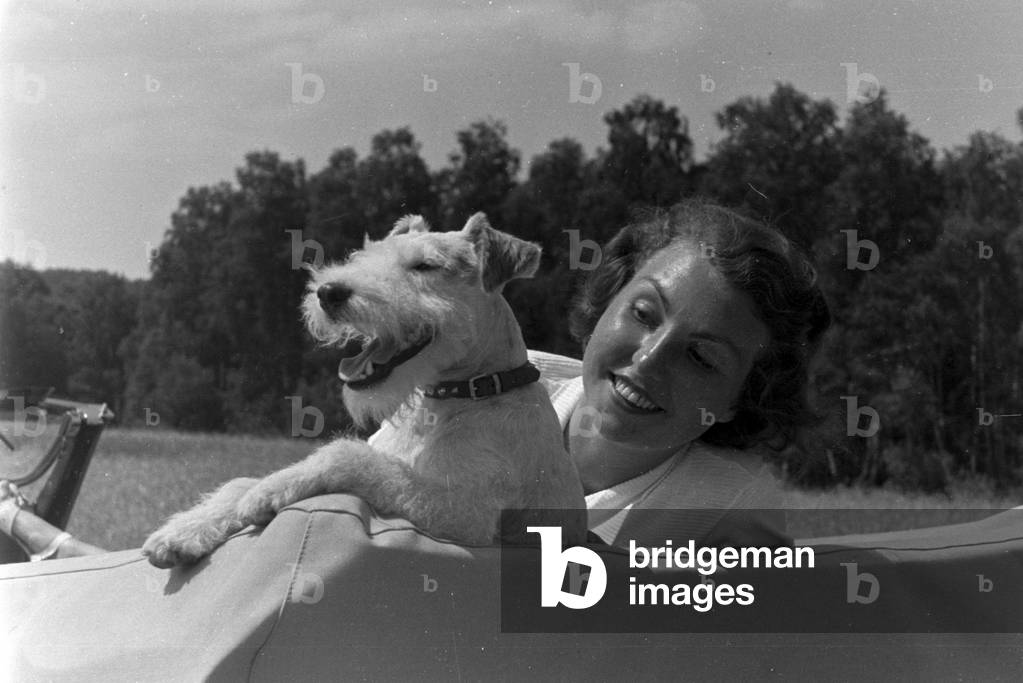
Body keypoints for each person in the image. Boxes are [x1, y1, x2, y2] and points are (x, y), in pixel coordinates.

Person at [0, 198, 829, 559]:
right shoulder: (487, 379)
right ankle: (53, 546)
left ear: (742, 397)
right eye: (644, 313)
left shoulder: (730, 509)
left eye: (702, 356)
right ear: (607, 298)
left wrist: (343, 465)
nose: (648, 358)